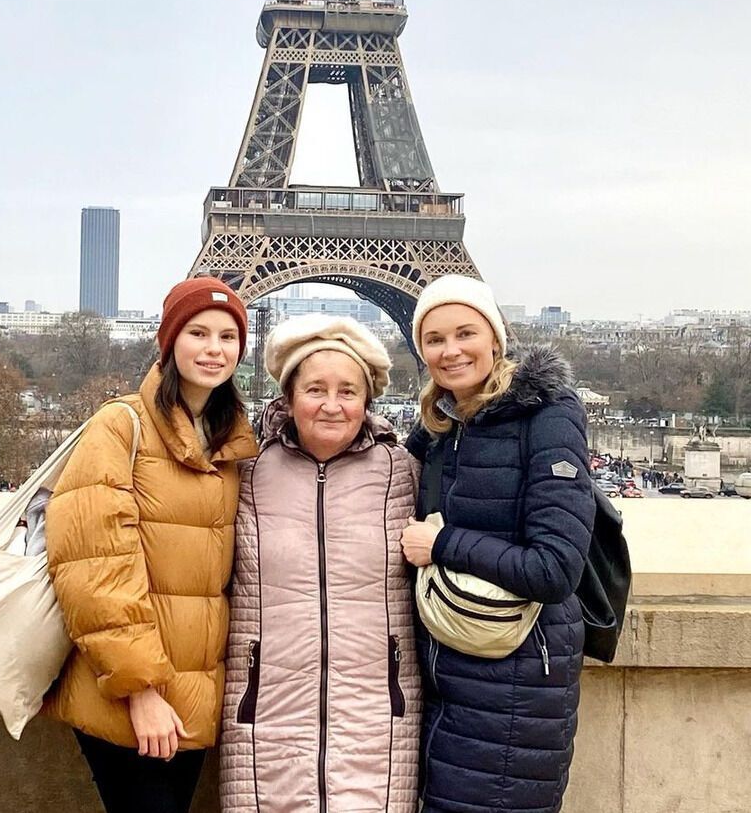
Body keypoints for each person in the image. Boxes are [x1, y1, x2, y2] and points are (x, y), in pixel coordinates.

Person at [45, 278, 261, 813]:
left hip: (193, 692)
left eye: (228, 336)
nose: (214, 349)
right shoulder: (121, 426)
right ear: (169, 341)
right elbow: (95, 570)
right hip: (128, 690)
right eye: (198, 333)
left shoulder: (230, 440)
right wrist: (140, 692)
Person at [398, 275, 594, 813]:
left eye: (465, 333)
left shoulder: (548, 417)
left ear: (495, 338)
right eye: (434, 339)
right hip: (445, 678)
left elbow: (555, 568)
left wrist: (443, 544)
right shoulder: (441, 426)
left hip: (517, 683)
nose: (450, 350)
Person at [219, 314, 423, 811]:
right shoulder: (244, 471)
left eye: (348, 391)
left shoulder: (405, 473)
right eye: (315, 389)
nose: (332, 405)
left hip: (378, 720)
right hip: (265, 717)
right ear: (288, 399)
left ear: (367, 401)